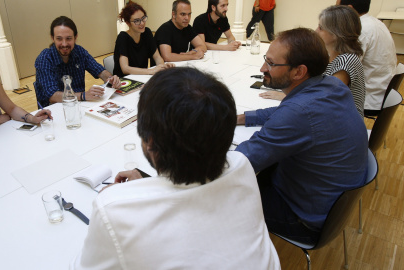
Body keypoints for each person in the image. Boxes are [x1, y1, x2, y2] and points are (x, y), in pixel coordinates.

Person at [71, 67, 280, 269]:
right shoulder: (242, 164)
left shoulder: (113, 209)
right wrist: (145, 186)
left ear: (149, 142)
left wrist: (122, 199)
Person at [235, 28, 368, 244]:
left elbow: (242, 161)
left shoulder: (299, 112)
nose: (262, 68)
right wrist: (240, 118)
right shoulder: (331, 85)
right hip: (332, 202)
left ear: (298, 72)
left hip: (305, 218)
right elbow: (285, 112)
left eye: (271, 63)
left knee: (224, 195)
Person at [260, 6, 366, 118]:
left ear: (336, 33)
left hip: (341, 123)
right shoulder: (334, 56)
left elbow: (325, 99)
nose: (316, 31)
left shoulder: (346, 61)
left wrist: (285, 95)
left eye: (321, 28)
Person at [34, 16, 121, 108]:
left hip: (79, 105)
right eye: (59, 39)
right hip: (54, 109)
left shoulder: (79, 51)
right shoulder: (44, 58)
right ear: (52, 38)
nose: (64, 44)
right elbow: (53, 96)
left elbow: (100, 70)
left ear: (75, 37)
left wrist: (111, 78)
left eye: (68, 38)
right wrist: (83, 95)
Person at [338, 0, 397, 116]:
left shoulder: (360, 30)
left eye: (336, 9)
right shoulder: (376, 23)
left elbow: (344, 73)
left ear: (349, 9)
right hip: (381, 90)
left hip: (369, 99)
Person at [113, 1, 174, 77]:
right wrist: (151, 71)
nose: (142, 23)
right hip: (125, 81)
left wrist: (162, 67)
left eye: (143, 18)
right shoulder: (123, 37)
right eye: (137, 21)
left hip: (142, 77)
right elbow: (125, 69)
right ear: (128, 23)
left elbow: (157, 58)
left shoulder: (147, 32)